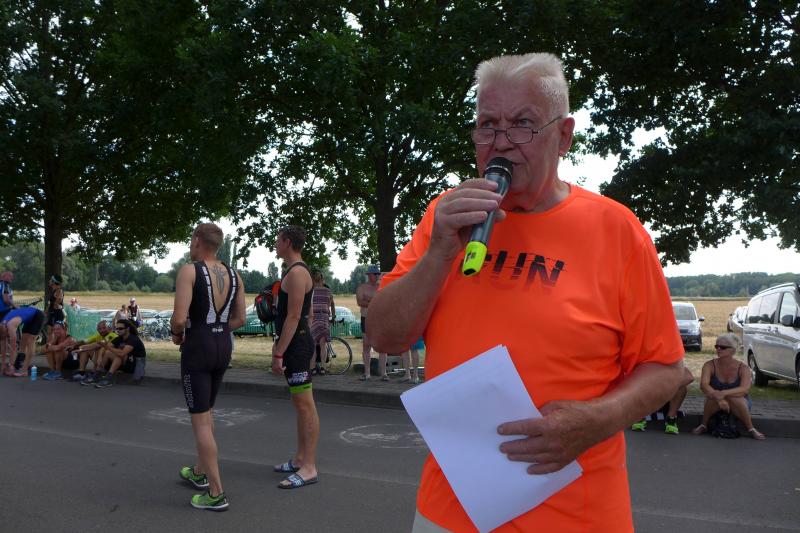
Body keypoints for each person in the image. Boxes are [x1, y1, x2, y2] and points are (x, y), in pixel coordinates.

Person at [367, 52, 685, 532]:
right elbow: (385, 336)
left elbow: (666, 369)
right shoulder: (446, 217)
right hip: (448, 513)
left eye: (522, 124)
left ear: (564, 136)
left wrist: (597, 420)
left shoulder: (617, 231)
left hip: (577, 517)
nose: (501, 142)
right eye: (487, 125)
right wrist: (439, 254)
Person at [171, 223, 245, 511]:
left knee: (200, 419)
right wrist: (218, 329)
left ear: (197, 240)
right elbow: (240, 318)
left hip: (198, 346)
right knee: (207, 411)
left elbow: (179, 319)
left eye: (191, 240)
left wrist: (177, 334)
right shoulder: (234, 275)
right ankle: (200, 471)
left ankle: (216, 493)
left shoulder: (189, 271)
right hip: (223, 345)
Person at [270, 225, 319, 489]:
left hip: (297, 347)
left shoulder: (298, 273)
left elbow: (295, 316)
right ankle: (300, 459)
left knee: (305, 405)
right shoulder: (292, 272)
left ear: (287, 242)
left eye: (278, 240)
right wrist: (280, 345)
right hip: (295, 344)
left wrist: (280, 352)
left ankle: (309, 467)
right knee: (299, 404)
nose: (275, 244)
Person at [691, 333, 765, 440]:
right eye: (717, 346)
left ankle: (751, 428)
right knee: (712, 398)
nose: (718, 349)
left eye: (723, 347)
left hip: (739, 402)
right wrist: (720, 398)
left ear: (733, 350)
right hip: (715, 401)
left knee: (736, 398)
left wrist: (723, 393)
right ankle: (703, 425)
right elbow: (704, 385)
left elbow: (744, 390)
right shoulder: (709, 365)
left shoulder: (743, 368)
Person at [631, 363, 694, 434]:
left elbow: (689, 377)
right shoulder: (647, 364)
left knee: (682, 388)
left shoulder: (671, 364)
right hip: (649, 400)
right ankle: (640, 418)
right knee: (640, 384)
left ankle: (671, 419)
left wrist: (666, 388)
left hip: (665, 399)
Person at [93, 319, 146, 388]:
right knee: (108, 352)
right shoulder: (119, 338)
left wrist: (106, 347)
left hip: (136, 365)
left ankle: (108, 378)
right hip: (125, 363)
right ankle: (98, 374)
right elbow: (105, 347)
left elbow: (122, 353)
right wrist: (100, 357)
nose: (118, 330)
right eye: (116, 328)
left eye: (120, 328)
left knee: (118, 355)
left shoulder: (133, 339)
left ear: (127, 329)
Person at [356, 265, 386, 381]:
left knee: (382, 346)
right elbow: (360, 302)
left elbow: (384, 301)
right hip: (366, 319)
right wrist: (375, 301)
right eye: (375, 274)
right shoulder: (362, 288)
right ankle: (367, 373)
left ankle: (383, 374)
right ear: (369, 275)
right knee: (366, 345)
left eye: (378, 274)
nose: (377, 276)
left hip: (379, 319)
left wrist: (369, 300)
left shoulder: (382, 287)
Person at [0, 306, 45, 377]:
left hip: (37, 315)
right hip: (28, 318)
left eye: (7, 335)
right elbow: (3, 348)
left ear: (5, 329)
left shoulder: (11, 325)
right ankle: (18, 367)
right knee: (23, 343)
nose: (7, 336)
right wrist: (3, 365)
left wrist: (11, 365)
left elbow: (13, 347)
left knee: (30, 340)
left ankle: (24, 370)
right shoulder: (2, 326)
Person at [309, 270, 336, 375]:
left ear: (312, 279)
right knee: (323, 344)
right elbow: (331, 304)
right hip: (324, 317)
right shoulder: (327, 291)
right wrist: (333, 316)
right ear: (322, 279)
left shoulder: (310, 291)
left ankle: (312, 368)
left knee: (313, 344)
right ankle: (323, 368)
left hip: (313, 317)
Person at [45, 274, 65, 339]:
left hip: (56, 315)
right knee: (49, 334)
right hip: (52, 314)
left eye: (51, 280)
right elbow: (50, 303)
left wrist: (56, 306)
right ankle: (49, 344)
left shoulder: (59, 291)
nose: (49, 281)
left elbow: (59, 301)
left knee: (54, 335)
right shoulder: (53, 290)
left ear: (54, 282)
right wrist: (46, 312)